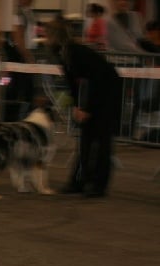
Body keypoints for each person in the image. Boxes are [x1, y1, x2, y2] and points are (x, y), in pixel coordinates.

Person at [45, 16, 123, 198]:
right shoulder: (65, 53)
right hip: (96, 91)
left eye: (48, 34)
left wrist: (85, 108)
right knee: (86, 140)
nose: (45, 38)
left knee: (101, 141)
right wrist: (76, 106)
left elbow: (91, 81)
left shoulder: (73, 52)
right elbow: (73, 83)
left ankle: (98, 186)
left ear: (55, 35)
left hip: (107, 92)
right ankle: (79, 181)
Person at [3, 0, 38, 121]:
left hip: (21, 54)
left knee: (19, 87)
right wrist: (28, 56)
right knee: (12, 87)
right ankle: (11, 118)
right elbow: (18, 38)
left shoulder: (27, 12)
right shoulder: (17, 13)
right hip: (17, 56)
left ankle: (19, 116)